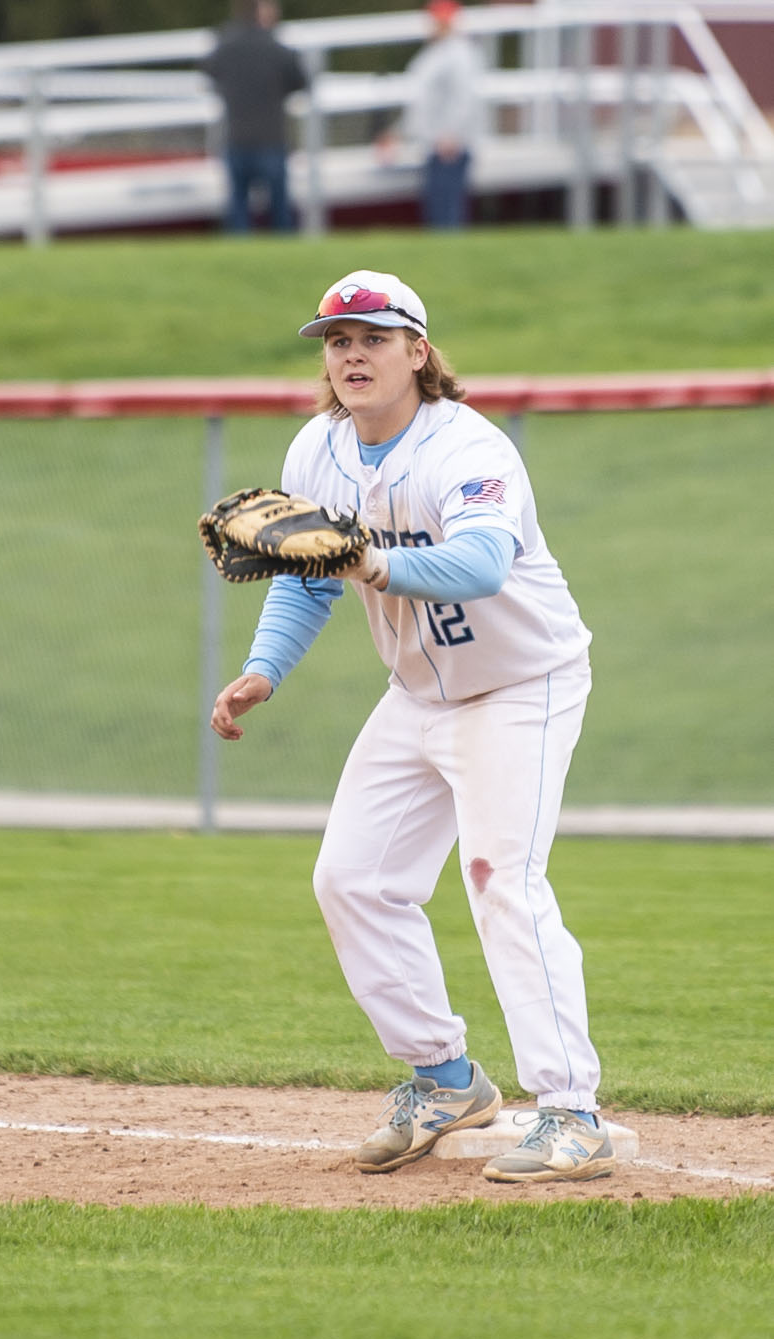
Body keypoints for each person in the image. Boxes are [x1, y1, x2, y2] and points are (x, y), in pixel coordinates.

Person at [210, 269, 614, 1184]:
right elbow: (308, 574)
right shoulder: (316, 451)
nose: (351, 354)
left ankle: (570, 1111)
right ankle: (444, 1078)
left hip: (521, 686)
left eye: (373, 338)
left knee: (499, 882)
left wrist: (363, 558)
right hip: (419, 695)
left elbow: (475, 565)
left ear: (417, 352)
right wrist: (263, 671)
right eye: (336, 341)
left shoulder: (467, 449)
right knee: (353, 880)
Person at [201, 0, 309, 234]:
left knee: (238, 210)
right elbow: (301, 81)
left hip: (236, 137)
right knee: (280, 212)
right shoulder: (277, 49)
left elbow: (210, 71)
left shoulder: (226, 46)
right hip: (271, 137)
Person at [381, 0, 485, 230]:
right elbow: (420, 102)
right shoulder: (435, 53)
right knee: (436, 212)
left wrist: (452, 134)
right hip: (432, 142)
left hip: (449, 145)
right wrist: (398, 133)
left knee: (447, 213)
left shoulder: (460, 54)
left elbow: (464, 98)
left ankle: (454, 261)